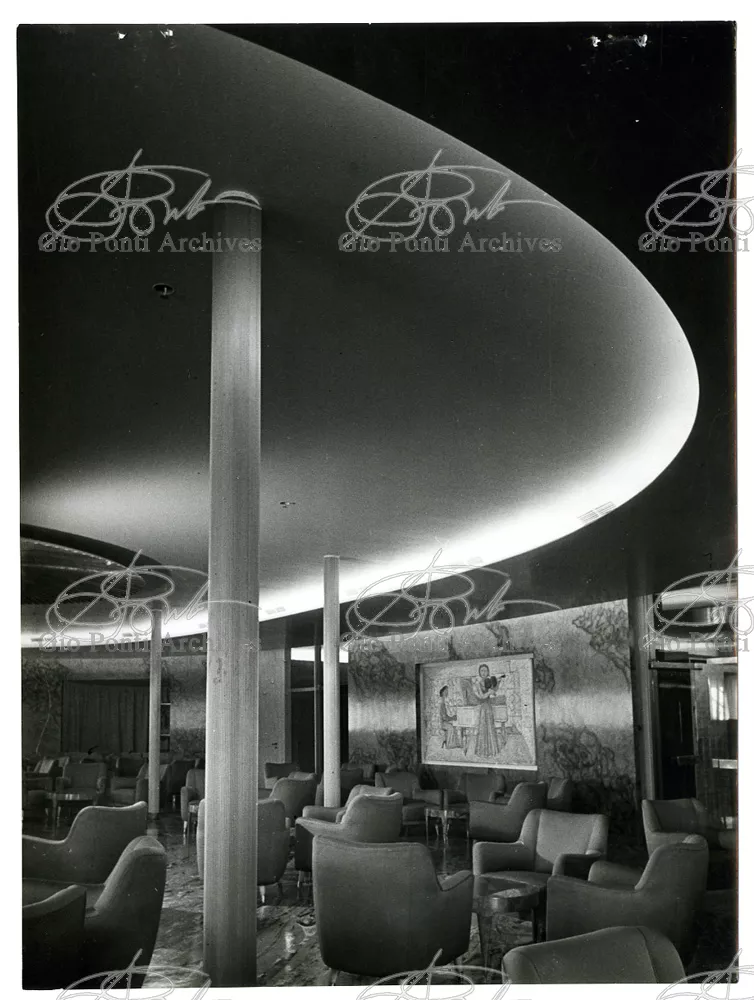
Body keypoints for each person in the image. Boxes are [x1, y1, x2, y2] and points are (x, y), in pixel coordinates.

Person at [471, 664, 500, 757]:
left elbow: (494, 693)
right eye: (482, 671)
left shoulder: (488, 682)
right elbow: (481, 697)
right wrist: (489, 692)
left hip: (489, 707)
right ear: (479, 672)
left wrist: (496, 686)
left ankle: (491, 751)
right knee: (483, 727)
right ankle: (482, 751)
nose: (484, 672)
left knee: (490, 726)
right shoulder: (477, 683)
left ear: (488, 672)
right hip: (483, 708)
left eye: (485, 671)